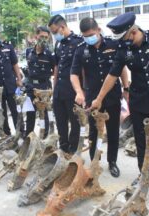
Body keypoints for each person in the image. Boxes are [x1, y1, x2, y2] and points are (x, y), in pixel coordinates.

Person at [91, 12, 149, 198]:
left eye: (125, 38)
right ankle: (145, 175)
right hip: (139, 100)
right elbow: (112, 75)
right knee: (141, 141)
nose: (122, 42)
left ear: (133, 32)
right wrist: (99, 98)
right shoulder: (123, 48)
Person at [70, 17, 129, 178]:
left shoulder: (113, 44)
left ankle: (112, 162)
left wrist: (126, 87)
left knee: (113, 131)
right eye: (85, 35)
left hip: (113, 95)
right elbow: (74, 74)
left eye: (91, 34)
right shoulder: (81, 49)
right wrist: (79, 92)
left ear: (98, 30)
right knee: (94, 131)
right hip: (92, 97)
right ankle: (94, 160)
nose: (89, 38)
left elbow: (121, 68)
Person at [48, 15, 84, 154]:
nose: (54, 34)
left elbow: (83, 70)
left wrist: (82, 91)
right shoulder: (58, 44)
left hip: (73, 91)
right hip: (59, 91)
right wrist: (54, 87)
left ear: (62, 27)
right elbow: (57, 67)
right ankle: (63, 148)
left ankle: (73, 150)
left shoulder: (79, 43)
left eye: (55, 31)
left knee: (75, 123)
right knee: (61, 122)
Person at [25, 26, 57, 138]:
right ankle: (28, 137)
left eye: (46, 37)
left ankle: (45, 137)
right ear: (36, 36)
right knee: (30, 113)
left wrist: (46, 77)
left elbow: (55, 70)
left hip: (44, 87)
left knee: (45, 114)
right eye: (41, 36)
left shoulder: (50, 54)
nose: (44, 39)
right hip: (30, 87)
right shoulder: (29, 51)